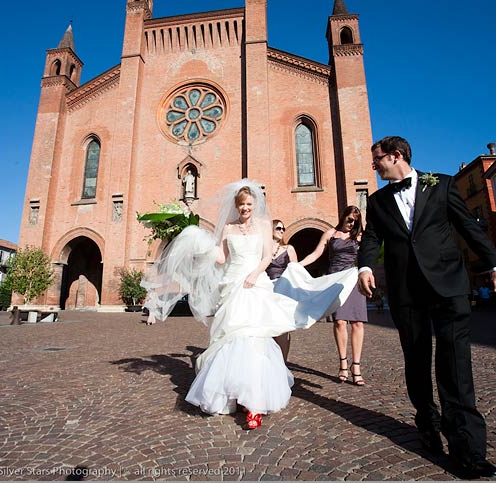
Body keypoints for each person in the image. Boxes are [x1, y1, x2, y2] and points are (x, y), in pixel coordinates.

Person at [142, 179, 357, 430]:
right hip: (232, 285)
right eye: (242, 205)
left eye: (249, 204)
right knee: (231, 340)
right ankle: (231, 394)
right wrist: (198, 244)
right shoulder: (228, 228)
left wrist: (255, 275)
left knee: (255, 339)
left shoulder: (264, 225)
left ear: (255, 204)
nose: (245, 208)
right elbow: (222, 258)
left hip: (255, 284)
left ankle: (255, 402)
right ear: (236, 205)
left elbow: (267, 255)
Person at [356, 136, 496, 479]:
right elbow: (371, 238)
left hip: (449, 287)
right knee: (416, 360)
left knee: (455, 364)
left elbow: (467, 226)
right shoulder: (379, 201)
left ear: (396, 156)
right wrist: (365, 266)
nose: (375, 166)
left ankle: (469, 450)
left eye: (377, 160)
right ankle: (426, 420)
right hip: (405, 292)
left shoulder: (441, 184)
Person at [299, 206, 368, 386]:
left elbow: (367, 257)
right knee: (340, 322)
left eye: (355, 221)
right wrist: (299, 265)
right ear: (343, 217)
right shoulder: (331, 233)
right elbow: (316, 253)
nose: (351, 223)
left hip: (353, 280)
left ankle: (357, 366)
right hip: (335, 280)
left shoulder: (359, 237)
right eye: (349, 219)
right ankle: (343, 363)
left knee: (358, 322)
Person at [266, 219, 298, 361]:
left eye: (283, 229)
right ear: (271, 230)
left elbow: (296, 271)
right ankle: (273, 363)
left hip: (283, 289)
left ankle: (283, 363)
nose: (281, 231)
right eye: (278, 228)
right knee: (269, 327)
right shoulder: (264, 249)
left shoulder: (288, 249)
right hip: (266, 290)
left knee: (283, 328)